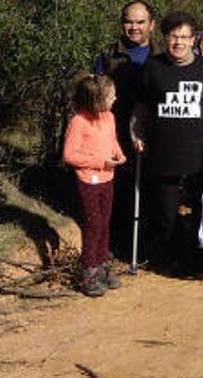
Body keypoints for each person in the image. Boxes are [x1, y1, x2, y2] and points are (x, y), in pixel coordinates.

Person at [130, 11, 203, 277]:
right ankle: (175, 259)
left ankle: (200, 257)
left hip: (200, 155)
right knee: (167, 213)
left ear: (193, 39)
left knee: (201, 209)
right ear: (164, 38)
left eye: (184, 37)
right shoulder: (153, 67)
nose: (178, 43)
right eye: (174, 36)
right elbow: (141, 106)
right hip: (163, 153)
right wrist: (135, 132)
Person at [93, 0, 161, 261]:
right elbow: (94, 96)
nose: (134, 27)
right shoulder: (108, 56)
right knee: (118, 191)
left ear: (152, 25)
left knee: (151, 190)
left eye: (140, 22)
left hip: (154, 133)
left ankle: (149, 244)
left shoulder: (163, 54)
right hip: (115, 134)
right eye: (129, 21)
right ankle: (117, 245)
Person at [62, 74, 127, 297]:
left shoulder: (108, 117)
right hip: (88, 181)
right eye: (110, 96)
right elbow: (69, 155)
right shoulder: (78, 122)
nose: (115, 98)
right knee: (93, 225)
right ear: (95, 100)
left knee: (105, 223)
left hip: (107, 178)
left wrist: (118, 153)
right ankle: (88, 271)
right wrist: (100, 162)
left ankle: (101, 265)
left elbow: (112, 139)